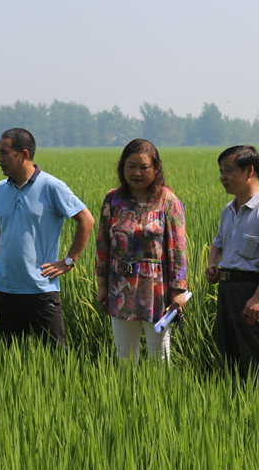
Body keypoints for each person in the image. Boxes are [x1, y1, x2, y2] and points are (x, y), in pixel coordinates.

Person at [0, 128, 94, 349]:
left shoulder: (52, 187)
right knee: (11, 358)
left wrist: (69, 261)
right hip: (5, 289)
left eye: (4, 153)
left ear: (23, 154)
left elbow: (86, 220)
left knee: (56, 358)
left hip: (41, 289)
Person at [95, 139, 188, 362]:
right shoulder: (113, 199)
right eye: (131, 166)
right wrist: (102, 285)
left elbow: (177, 249)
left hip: (156, 288)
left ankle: (161, 388)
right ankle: (128, 387)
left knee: (160, 355)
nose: (137, 172)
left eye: (144, 167)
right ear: (122, 167)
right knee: (124, 356)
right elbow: (102, 245)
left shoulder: (168, 201)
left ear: (155, 169)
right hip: (120, 287)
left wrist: (178, 290)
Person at [205, 145, 259, 387]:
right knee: (231, 360)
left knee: (258, 362)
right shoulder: (228, 210)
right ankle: (237, 408)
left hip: (253, 291)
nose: (223, 177)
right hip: (227, 291)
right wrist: (213, 265)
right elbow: (218, 244)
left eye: (228, 170)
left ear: (249, 171)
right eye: (221, 171)